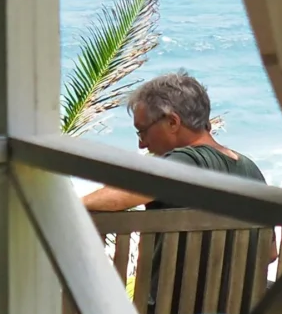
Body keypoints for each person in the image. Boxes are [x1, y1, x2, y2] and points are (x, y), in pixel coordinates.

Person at [83, 70, 266, 211]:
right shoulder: (251, 170)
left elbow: (118, 197)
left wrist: (72, 207)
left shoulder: (186, 160)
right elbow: (271, 252)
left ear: (172, 122)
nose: (142, 144)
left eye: (143, 132)